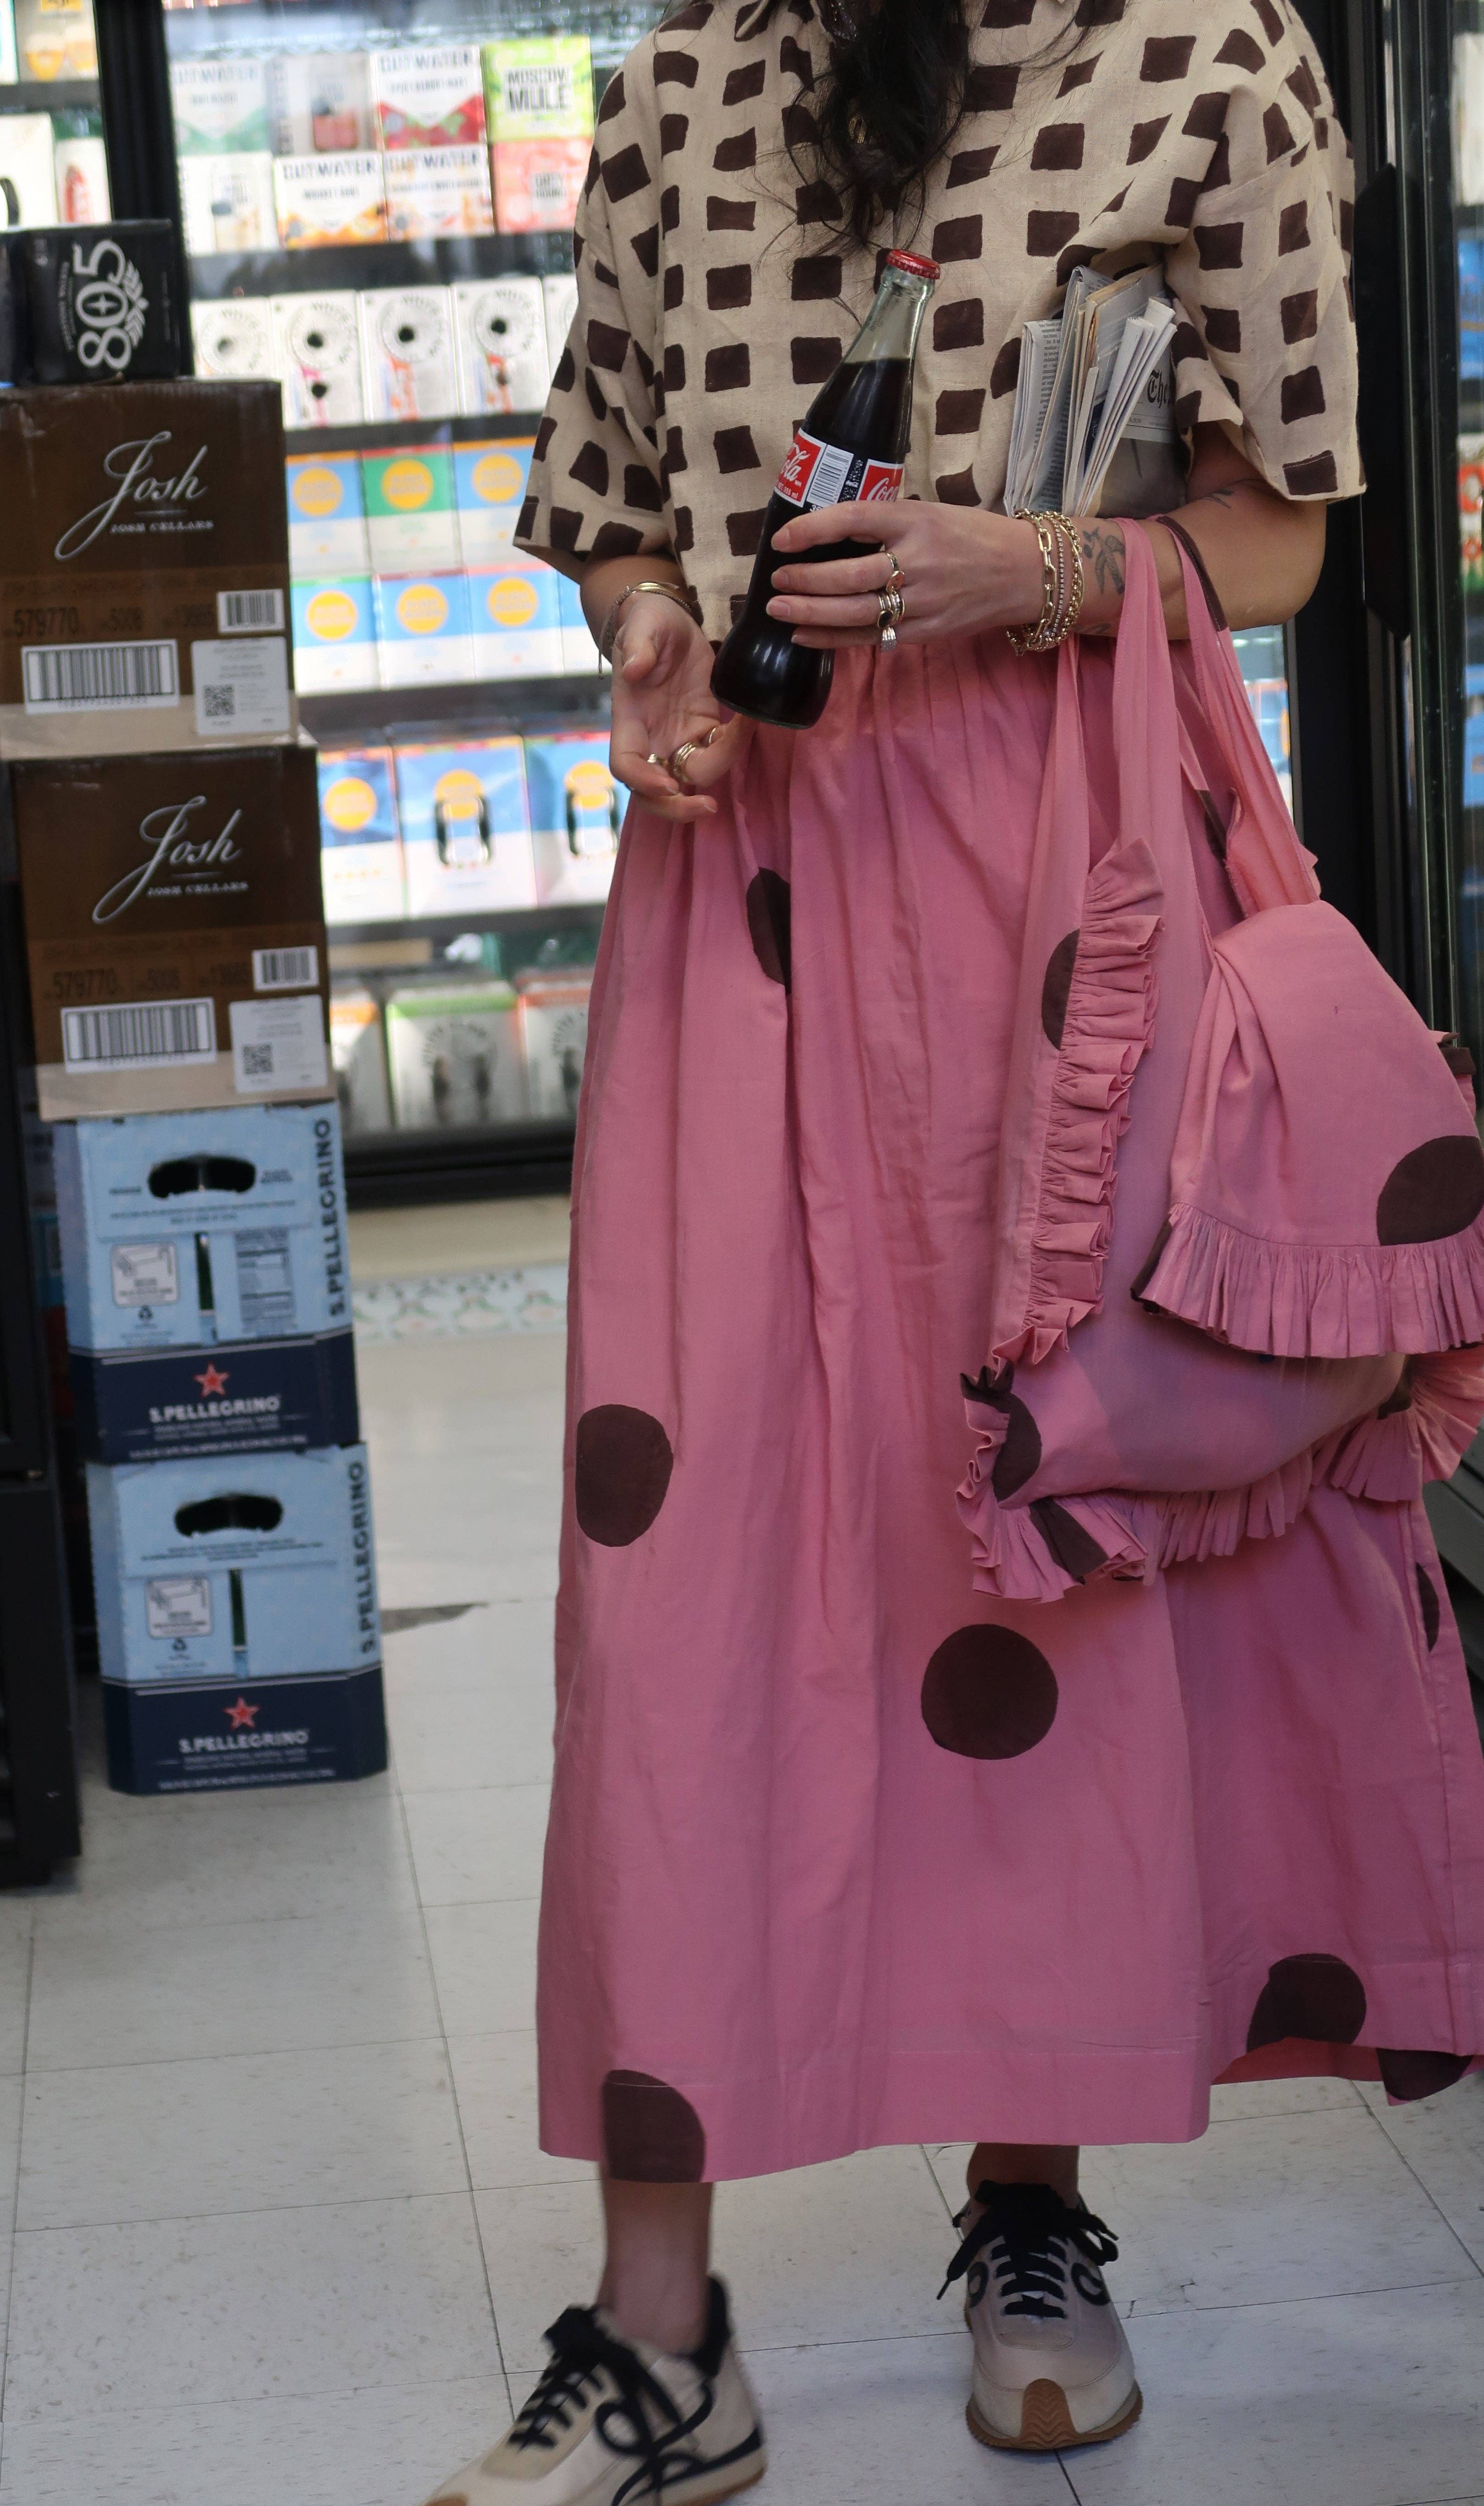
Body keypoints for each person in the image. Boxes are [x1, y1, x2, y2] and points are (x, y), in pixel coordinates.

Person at [421, 3, 1484, 2500]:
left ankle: (1032, 2210)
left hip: (1065, 882)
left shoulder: (1210, 54)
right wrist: (649, 637)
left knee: (1040, 1523)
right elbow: (616, 501)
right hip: (747, 882)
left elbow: (1289, 531)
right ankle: (659, 2326)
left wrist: (1047, 563)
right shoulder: (690, 79)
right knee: (680, 1575)